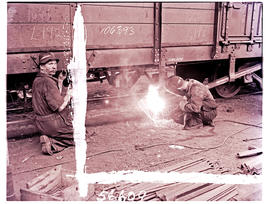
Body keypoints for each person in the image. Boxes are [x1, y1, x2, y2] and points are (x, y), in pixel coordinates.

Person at [32, 52, 74, 155]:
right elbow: (59, 107)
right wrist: (69, 95)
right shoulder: (48, 82)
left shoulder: (38, 80)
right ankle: (52, 143)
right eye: (50, 64)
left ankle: (49, 136)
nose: (54, 67)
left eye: (55, 64)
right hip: (52, 123)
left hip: (41, 124)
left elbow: (54, 98)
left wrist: (60, 81)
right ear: (41, 67)